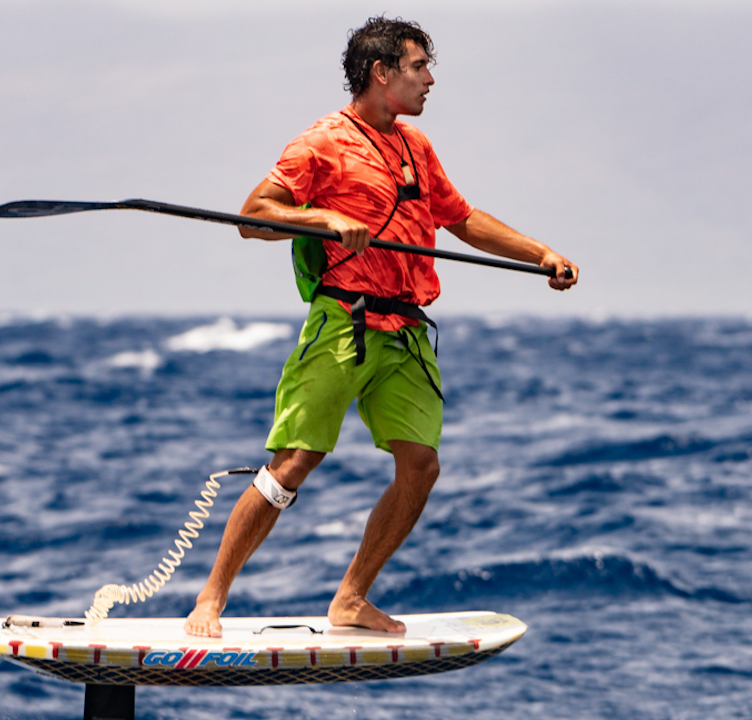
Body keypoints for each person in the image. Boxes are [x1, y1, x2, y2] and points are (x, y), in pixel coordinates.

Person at [184, 15, 578, 638]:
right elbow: (253, 216)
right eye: (420, 68)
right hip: (344, 323)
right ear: (382, 73)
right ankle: (210, 597)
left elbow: (462, 219)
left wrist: (540, 254)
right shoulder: (322, 143)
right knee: (294, 463)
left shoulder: (416, 148)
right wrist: (321, 219)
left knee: (420, 467)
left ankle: (350, 598)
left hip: (406, 334)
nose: (429, 82)